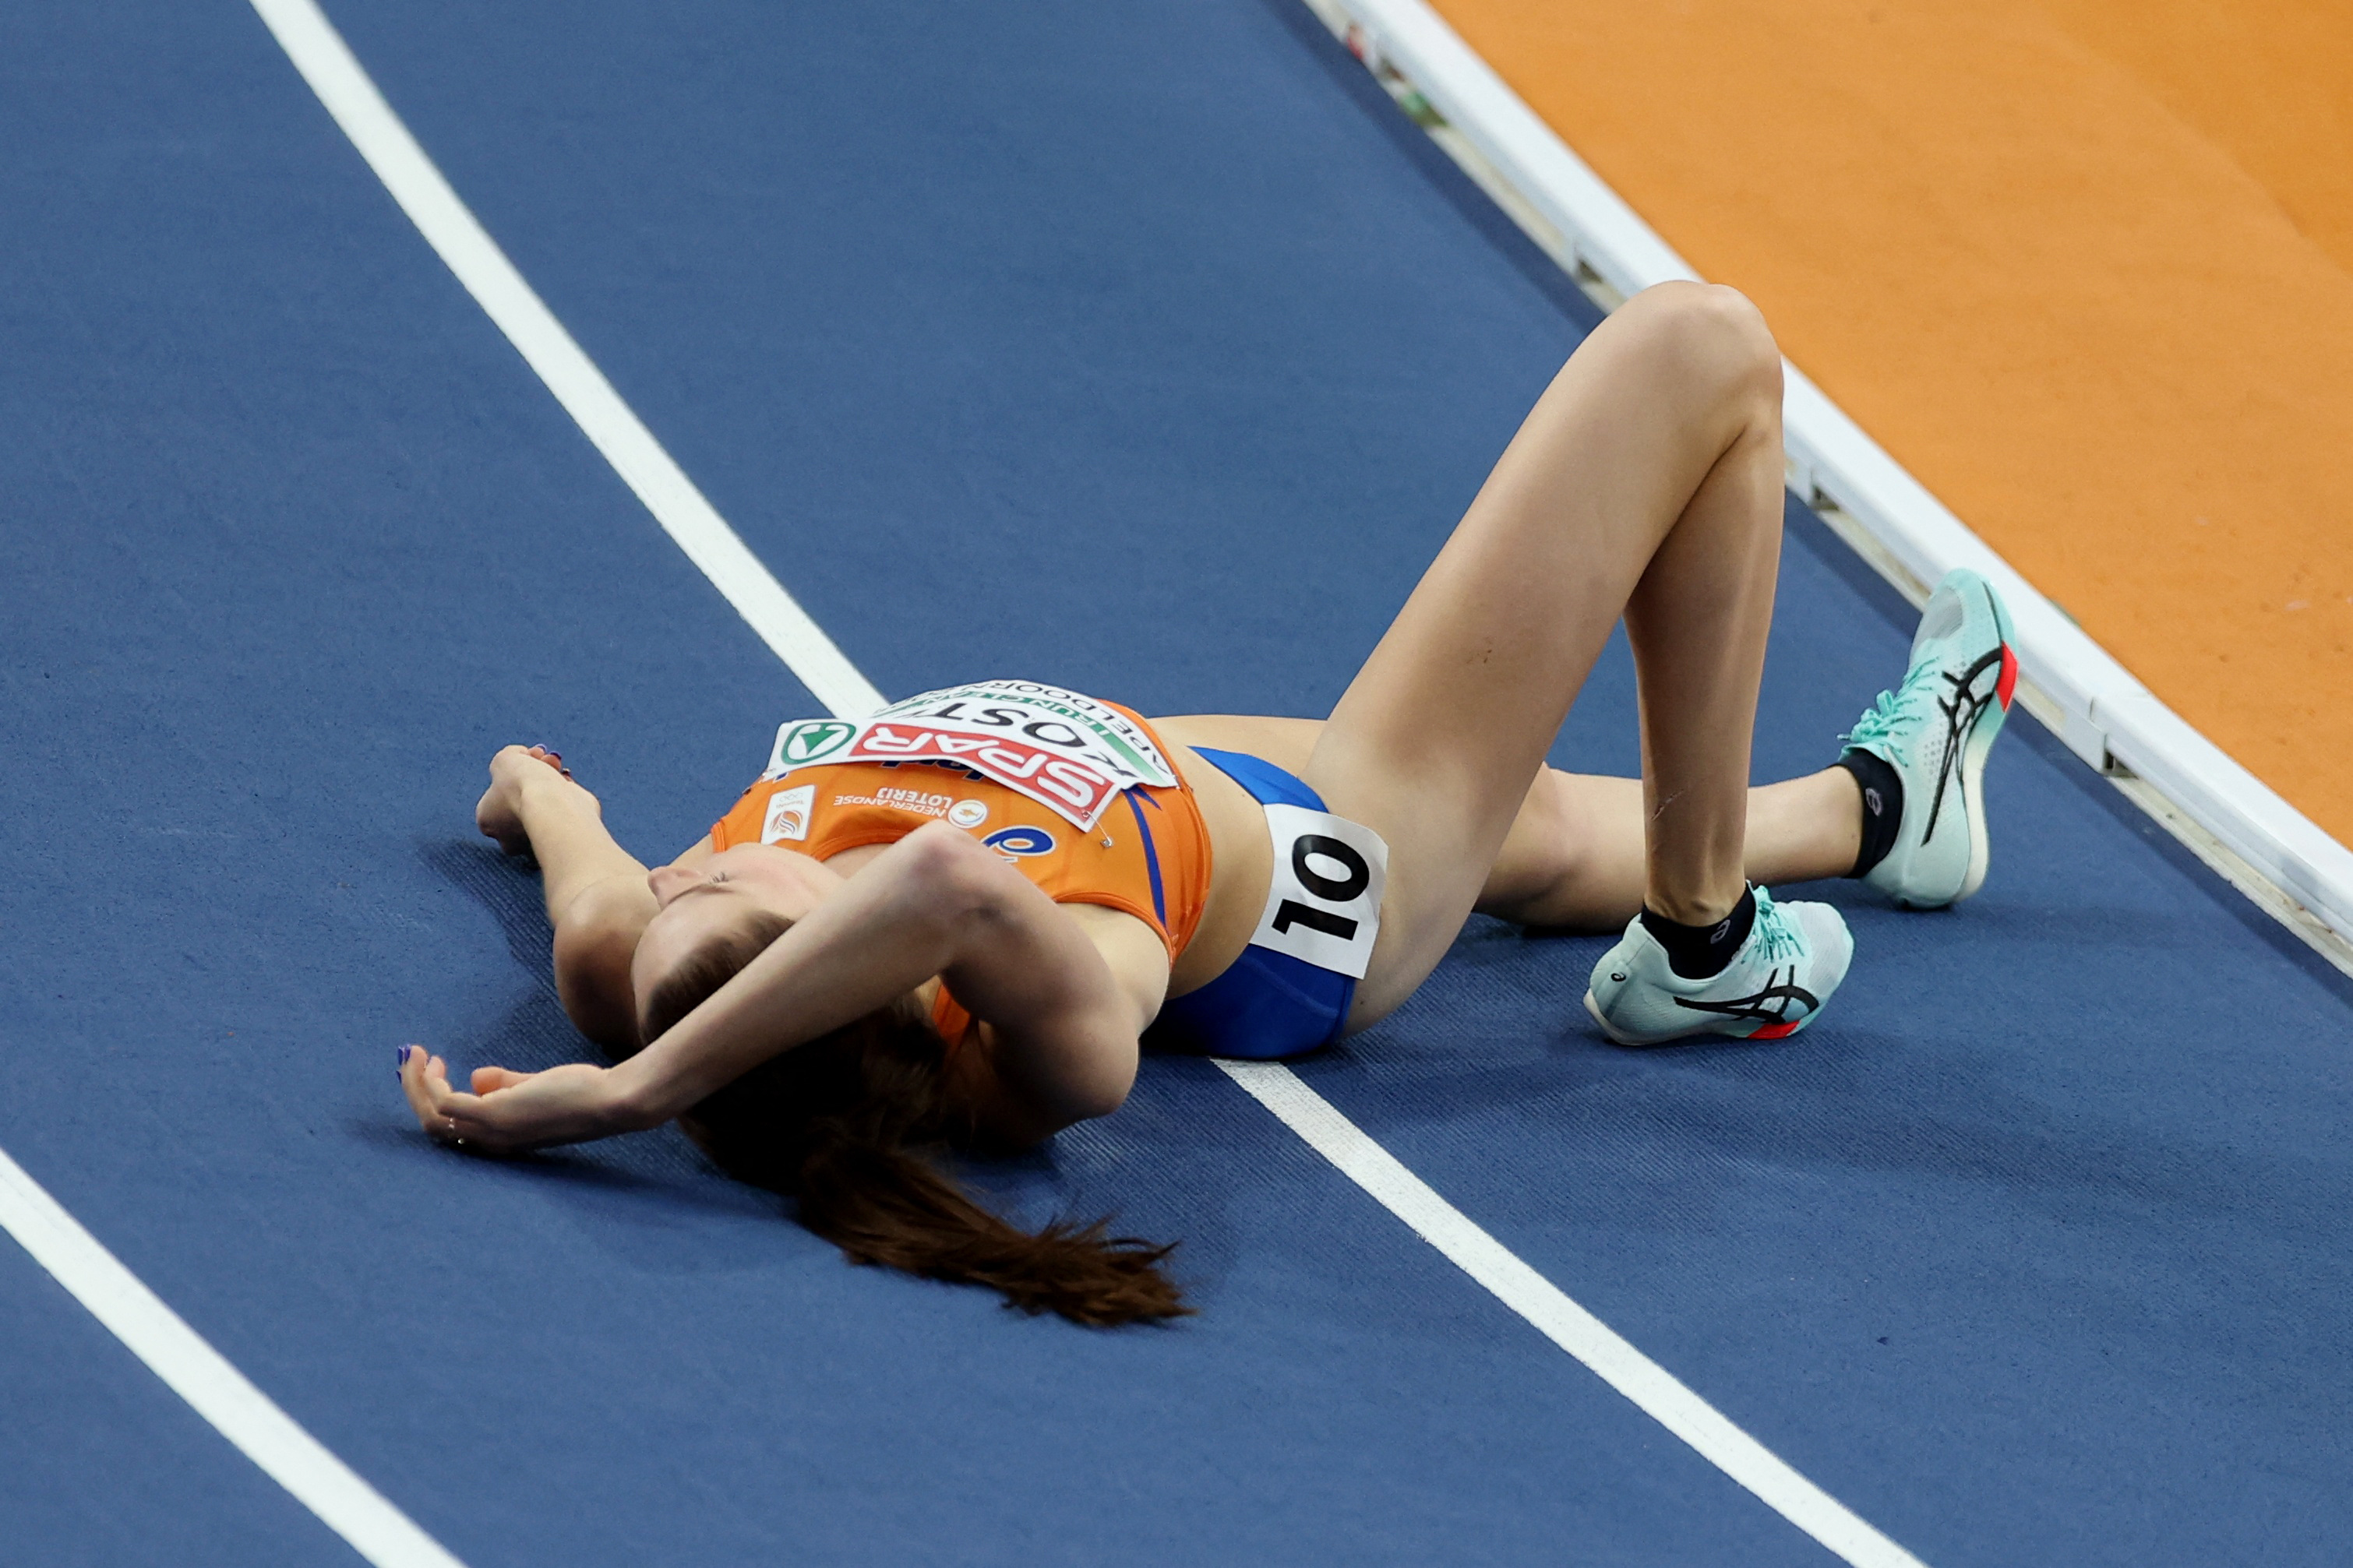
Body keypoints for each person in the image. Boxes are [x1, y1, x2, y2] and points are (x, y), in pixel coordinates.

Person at [398, 283, 2016, 1323]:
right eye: (738, 900)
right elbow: (952, 873)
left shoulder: (632, 953)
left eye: (692, 893)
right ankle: (1707, 946)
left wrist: (528, 791)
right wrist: (616, 1101)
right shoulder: (1054, 1024)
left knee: (1565, 832)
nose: (702, 871)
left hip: (1159, 780)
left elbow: (580, 841)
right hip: (1323, 870)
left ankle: (1881, 810)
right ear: (872, 976)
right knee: (1700, 351)